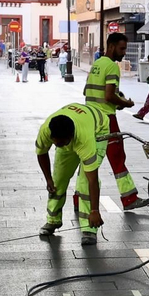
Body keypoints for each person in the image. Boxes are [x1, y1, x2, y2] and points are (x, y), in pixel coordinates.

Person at [83, 32, 149, 210]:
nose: (124, 52)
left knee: (90, 160)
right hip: (106, 120)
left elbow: (87, 92)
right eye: (122, 48)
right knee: (117, 156)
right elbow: (109, 95)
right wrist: (125, 103)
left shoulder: (96, 64)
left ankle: (79, 200)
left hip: (90, 118)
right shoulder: (112, 67)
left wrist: (114, 100)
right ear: (111, 46)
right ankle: (129, 199)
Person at [35, 102, 107, 246]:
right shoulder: (47, 130)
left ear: (71, 137)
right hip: (78, 121)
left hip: (98, 129)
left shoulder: (85, 140)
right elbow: (41, 153)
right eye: (57, 144)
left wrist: (95, 210)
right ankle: (53, 220)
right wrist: (48, 179)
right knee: (58, 179)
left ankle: (89, 228)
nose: (60, 146)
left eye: (62, 143)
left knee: (84, 182)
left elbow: (92, 180)